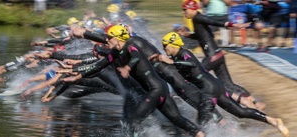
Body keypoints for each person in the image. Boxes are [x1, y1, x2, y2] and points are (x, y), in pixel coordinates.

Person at [57, 25, 204, 137]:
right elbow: (97, 66)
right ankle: (201, 134)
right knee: (176, 119)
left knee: (131, 122)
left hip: (156, 90)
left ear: (119, 38)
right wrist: (77, 76)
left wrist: (127, 67)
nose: (106, 40)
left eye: (109, 37)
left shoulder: (131, 45)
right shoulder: (115, 53)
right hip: (159, 90)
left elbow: (135, 57)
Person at [159, 32, 289, 137]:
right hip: (215, 86)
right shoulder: (177, 57)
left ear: (173, 45)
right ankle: (273, 121)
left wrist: (171, 63)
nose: (164, 49)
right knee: (240, 112)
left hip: (209, 89)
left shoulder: (184, 54)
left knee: (201, 123)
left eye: (165, 46)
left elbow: (192, 64)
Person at [182, 0, 266, 111]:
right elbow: (203, 36)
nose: (184, 12)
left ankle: (192, 99)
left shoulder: (197, 17)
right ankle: (256, 102)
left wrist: (232, 24)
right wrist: (188, 35)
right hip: (218, 55)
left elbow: (212, 21)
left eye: (185, 9)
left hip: (212, 56)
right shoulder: (197, 19)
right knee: (228, 84)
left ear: (192, 9)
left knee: (194, 75)